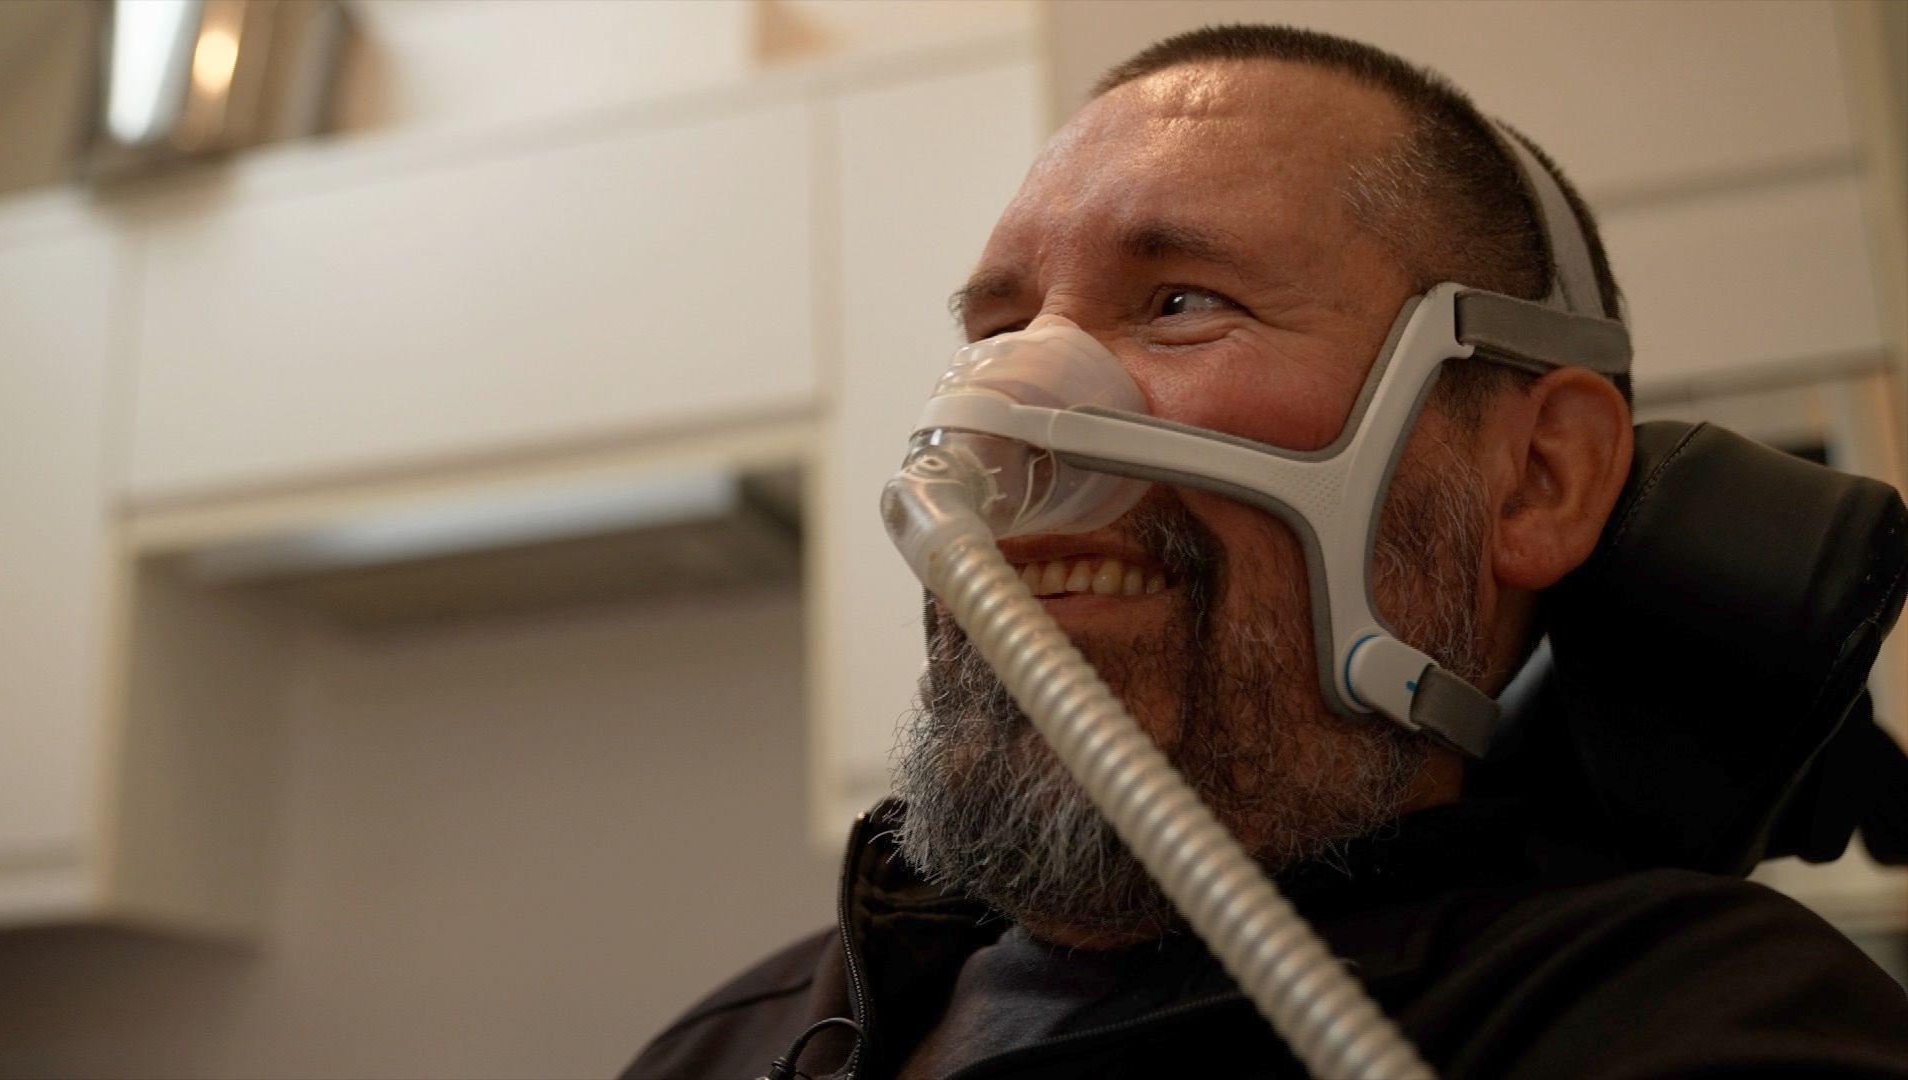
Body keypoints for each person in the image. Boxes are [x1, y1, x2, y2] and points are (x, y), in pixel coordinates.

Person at [622, 24, 1908, 1080]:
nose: (1004, 415)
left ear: (1536, 478)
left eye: (1183, 304)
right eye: (998, 328)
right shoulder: (737, 1043)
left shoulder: (1700, 1024)